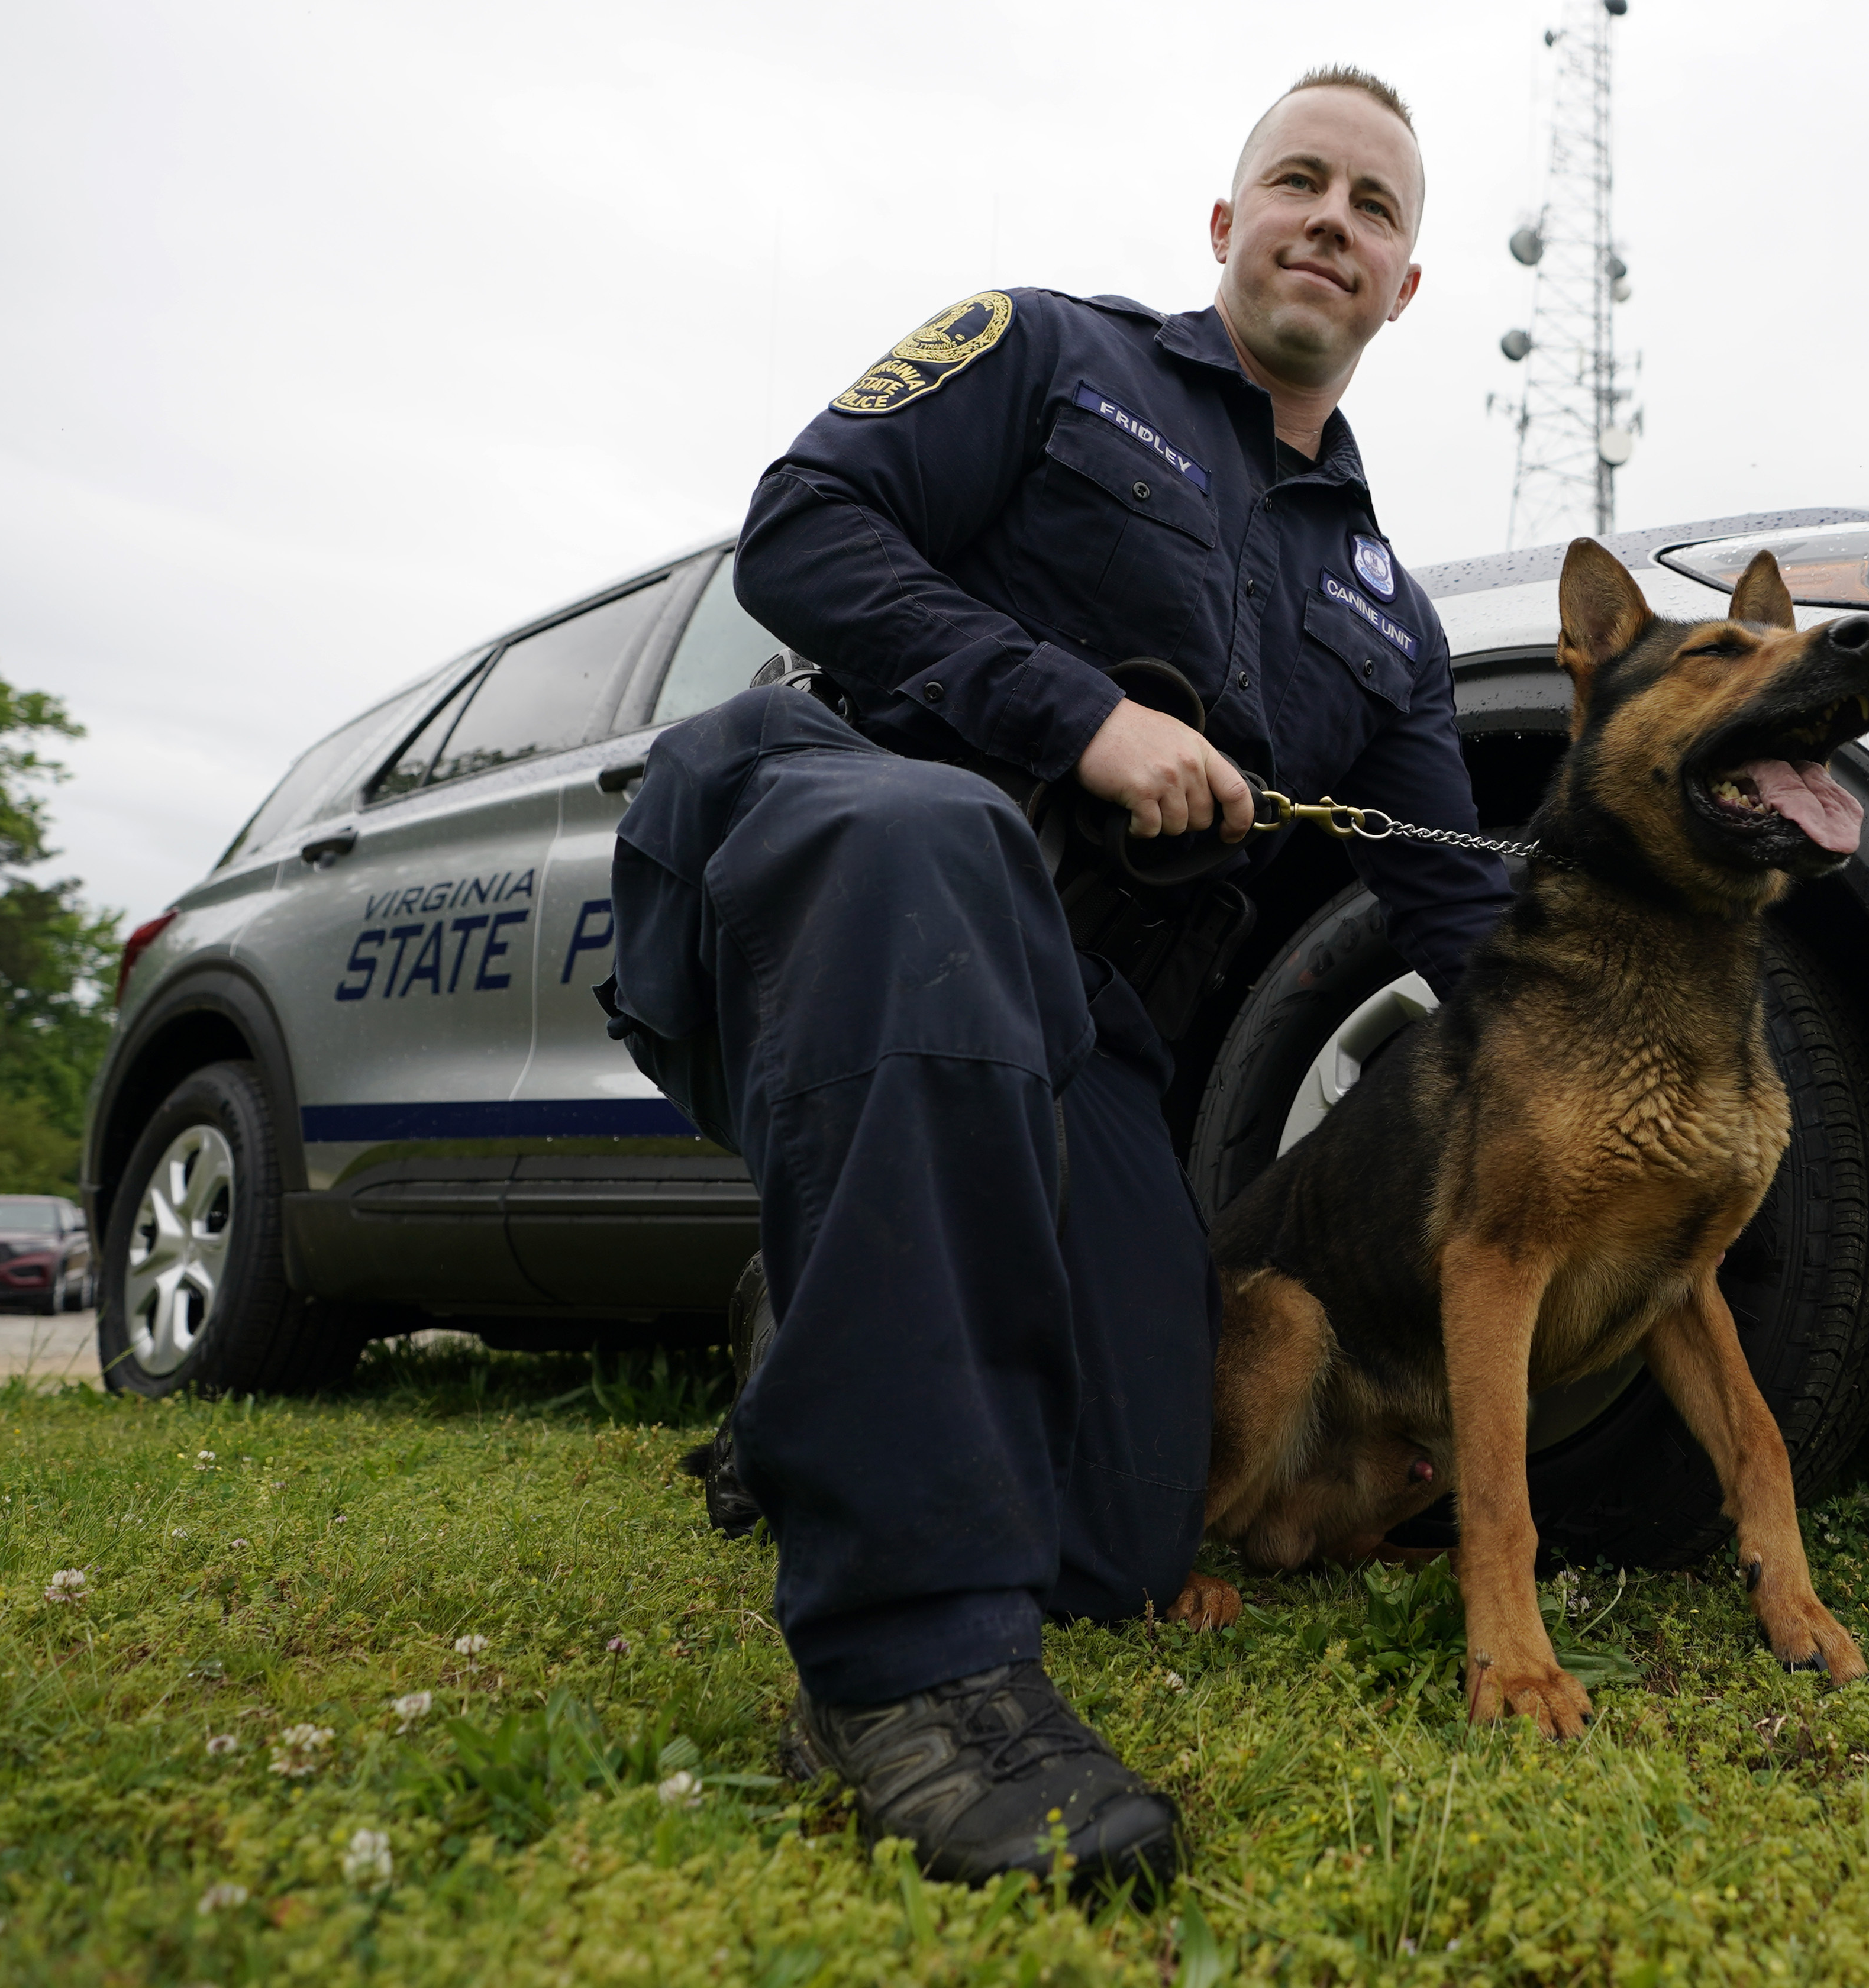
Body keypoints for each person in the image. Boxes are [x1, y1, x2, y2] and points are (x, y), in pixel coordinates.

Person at [605, 67, 1510, 1889]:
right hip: (839, 848)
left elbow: (1452, 914)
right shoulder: (1044, 350)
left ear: (1405, 289)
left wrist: (1655, 1046)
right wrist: (1072, 713)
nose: (1332, 219)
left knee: (1111, 1535)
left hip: (1070, 1029)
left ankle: (818, 1329)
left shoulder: (1393, 622)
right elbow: (799, 529)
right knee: (937, 854)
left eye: (1376, 209)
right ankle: (902, 1671)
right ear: (1226, 225)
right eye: (1300, 183)